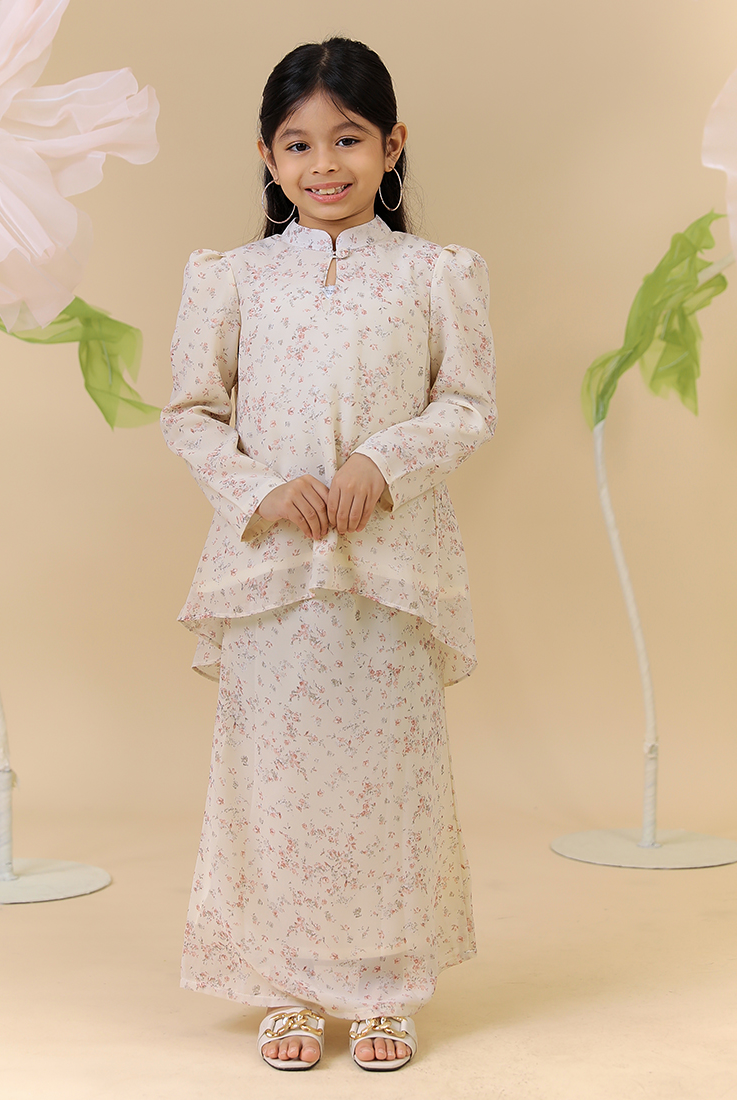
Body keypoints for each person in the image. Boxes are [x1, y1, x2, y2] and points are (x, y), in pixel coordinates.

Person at [161, 36, 497, 1072]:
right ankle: (289, 985)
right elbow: (190, 414)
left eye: (347, 138)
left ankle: (387, 984)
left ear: (391, 145)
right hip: (272, 575)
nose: (324, 164)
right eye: (299, 143)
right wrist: (262, 490)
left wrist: (381, 463)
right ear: (266, 155)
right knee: (274, 781)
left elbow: (467, 403)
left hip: (389, 572)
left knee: (388, 782)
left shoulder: (437, 273)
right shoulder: (232, 278)